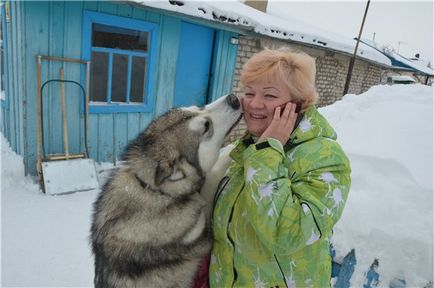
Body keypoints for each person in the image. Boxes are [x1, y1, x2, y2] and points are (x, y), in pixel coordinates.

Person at [208, 48, 351, 287]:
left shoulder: (325, 158)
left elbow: (288, 235)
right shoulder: (245, 150)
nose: (254, 104)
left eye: (270, 96)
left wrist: (267, 154)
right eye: (249, 92)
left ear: (297, 104)